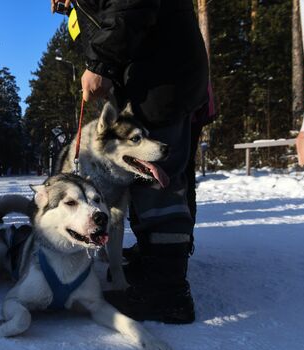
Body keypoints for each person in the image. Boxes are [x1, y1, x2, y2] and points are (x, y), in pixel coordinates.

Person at [52, 0, 209, 324]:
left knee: (159, 187)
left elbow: (132, 5)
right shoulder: (73, 7)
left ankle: (166, 294)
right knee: (148, 183)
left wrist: (100, 63)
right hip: (150, 82)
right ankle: (153, 263)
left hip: (159, 80)